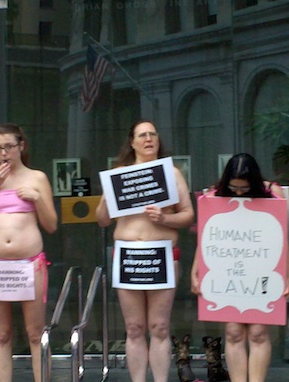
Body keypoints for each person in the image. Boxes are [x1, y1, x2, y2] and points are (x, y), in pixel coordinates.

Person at [95, 120, 194, 382]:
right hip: (128, 255)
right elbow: (103, 220)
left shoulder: (171, 173)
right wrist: (106, 195)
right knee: (134, 327)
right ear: (132, 142)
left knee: (159, 327)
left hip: (161, 254)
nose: (148, 139)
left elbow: (188, 215)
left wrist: (164, 219)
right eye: (142, 135)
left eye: (153, 134)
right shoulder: (120, 174)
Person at [190, 152, 289, 382]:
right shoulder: (214, 196)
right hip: (229, 271)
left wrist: (286, 277)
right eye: (233, 187)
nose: (237, 192)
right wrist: (196, 270)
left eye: (244, 189)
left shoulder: (271, 194)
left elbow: (281, 239)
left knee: (258, 332)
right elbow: (207, 239)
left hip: (261, 269)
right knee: (233, 331)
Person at [0, 123, 57, 382]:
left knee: (34, 332)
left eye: (9, 146)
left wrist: (37, 198)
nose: (4, 153)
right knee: (2, 333)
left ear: (21, 146)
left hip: (29, 262)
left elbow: (51, 225)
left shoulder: (37, 177)